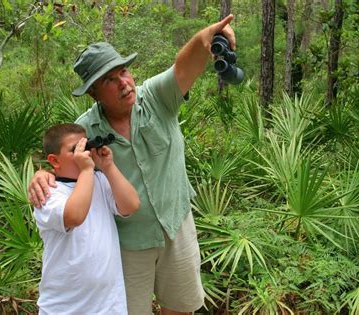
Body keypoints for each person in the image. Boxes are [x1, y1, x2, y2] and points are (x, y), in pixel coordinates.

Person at [28, 15, 236, 315]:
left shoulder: (156, 97)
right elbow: (65, 165)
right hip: (126, 245)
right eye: (109, 80)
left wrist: (204, 38)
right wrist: (40, 175)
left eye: (123, 71)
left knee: (179, 309)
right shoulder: (85, 129)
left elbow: (183, 65)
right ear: (93, 93)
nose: (124, 83)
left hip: (176, 226)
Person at [34, 123, 140, 314]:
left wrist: (108, 166)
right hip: (64, 308)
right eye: (75, 150)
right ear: (54, 161)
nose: (85, 154)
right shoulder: (47, 193)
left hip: (108, 305)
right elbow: (74, 216)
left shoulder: (99, 181)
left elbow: (131, 204)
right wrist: (86, 171)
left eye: (86, 146)